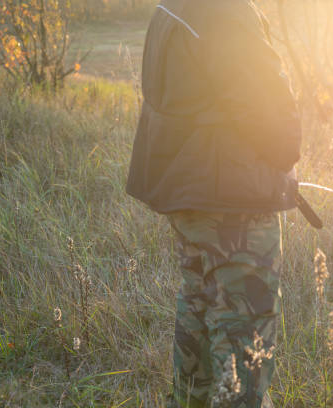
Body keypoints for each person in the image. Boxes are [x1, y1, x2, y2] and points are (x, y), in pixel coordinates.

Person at [126, 0, 301, 406]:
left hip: (192, 195)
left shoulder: (170, 9)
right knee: (243, 332)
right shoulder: (226, 11)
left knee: (200, 309)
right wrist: (285, 153)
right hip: (231, 202)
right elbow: (266, 106)